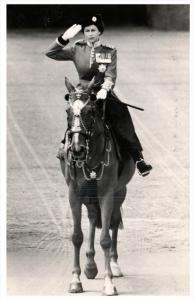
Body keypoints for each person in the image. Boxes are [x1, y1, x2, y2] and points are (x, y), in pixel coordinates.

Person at [45, 14, 152, 177]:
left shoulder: (109, 51)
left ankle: (138, 159)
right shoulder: (77, 48)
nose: (90, 33)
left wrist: (105, 88)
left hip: (103, 93)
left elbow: (110, 74)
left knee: (121, 117)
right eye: (87, 30)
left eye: (93, 30)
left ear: (99, 32)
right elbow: (50, 53)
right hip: (82, 93)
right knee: (75, 114)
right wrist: (63, 38)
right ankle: (64, 145)